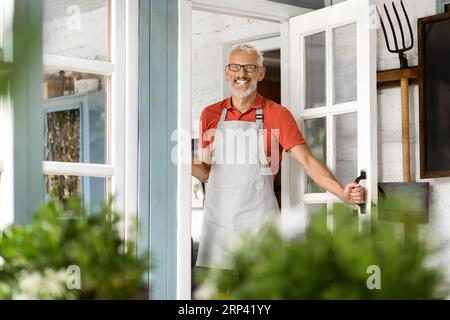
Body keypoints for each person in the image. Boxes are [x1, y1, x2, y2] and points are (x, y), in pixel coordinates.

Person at [192, 44, 365, 270]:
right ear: (227, 72)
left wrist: (342, 193)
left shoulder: (277, 114)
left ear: (261, 73)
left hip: (258, 224)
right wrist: (183, 163)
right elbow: (207, 172)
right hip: (218, 226)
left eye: (249, 68)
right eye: (235, 67)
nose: (241, 74)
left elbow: (308, 161)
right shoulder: (210, 114)